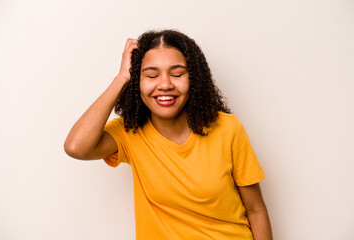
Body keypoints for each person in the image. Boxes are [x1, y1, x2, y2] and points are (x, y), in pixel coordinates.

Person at [64, 29, 273, 240]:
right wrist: (121, 78)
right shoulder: (130, 133)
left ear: (195, 79)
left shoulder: (228, 129)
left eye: (177, 74)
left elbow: (256, 210)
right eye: (152, 75)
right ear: (137, 81)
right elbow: (76, 147)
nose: (165, 84)